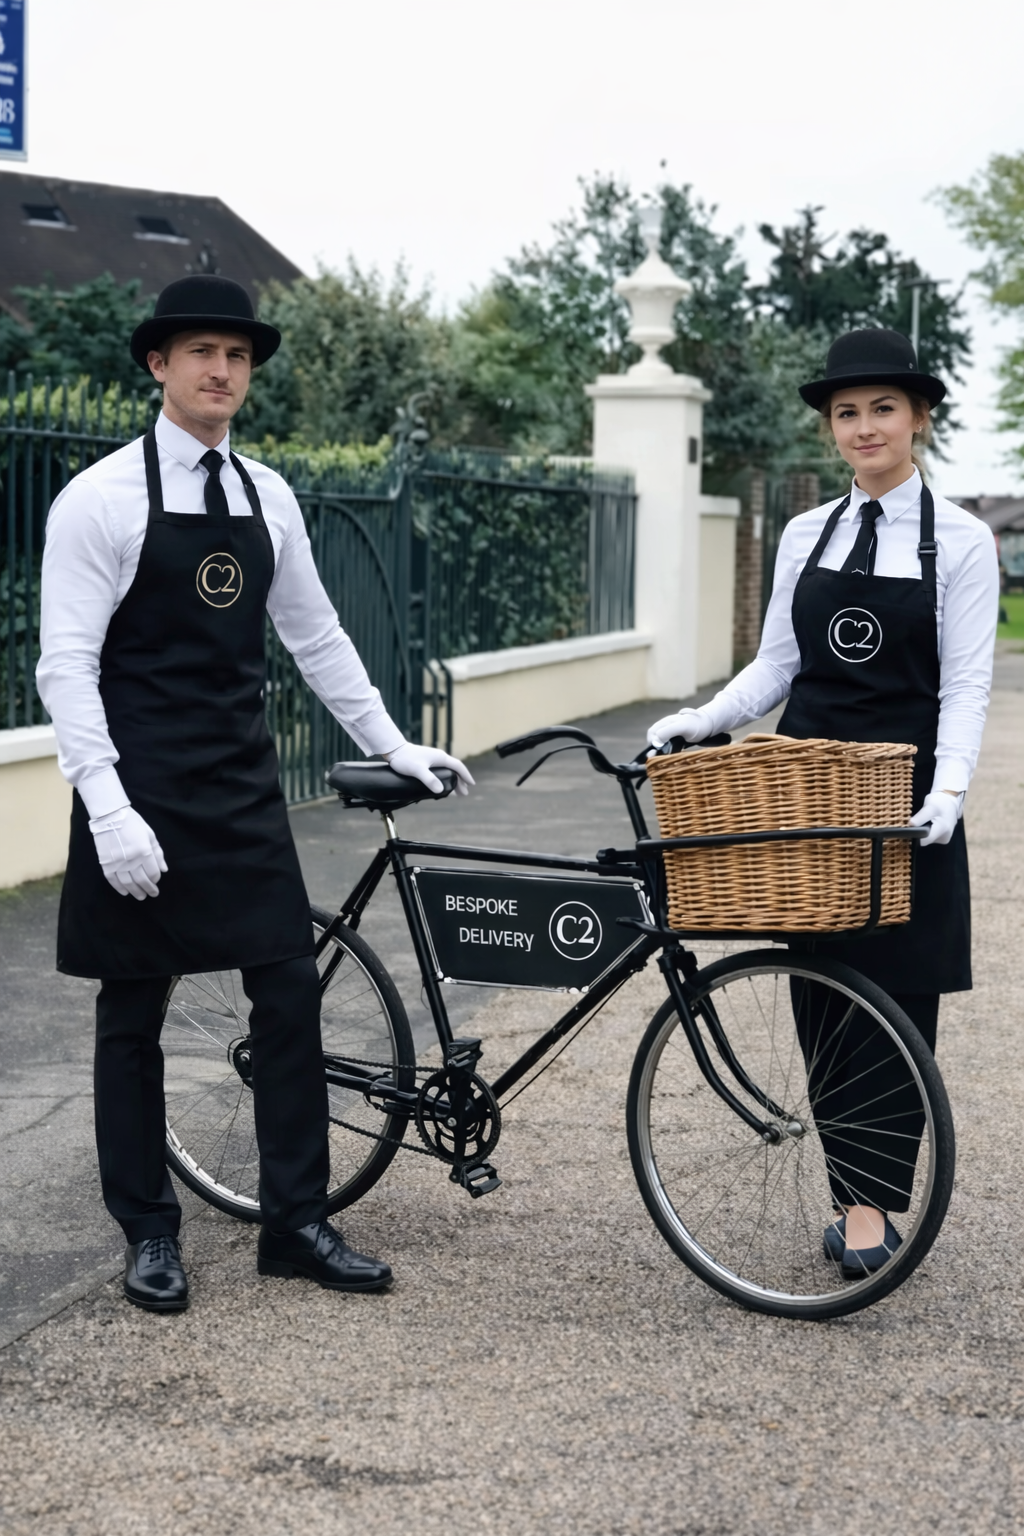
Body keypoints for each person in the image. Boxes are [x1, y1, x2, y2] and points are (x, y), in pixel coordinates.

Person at [37, 274, 473, 1313]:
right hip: (137, 787)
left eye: (236, 356)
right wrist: (106, 807)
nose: (222, 371)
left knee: (288, 995)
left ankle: (297, 1223)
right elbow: (64, 664)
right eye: (201, 353)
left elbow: (314, 637)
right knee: (131, 1013)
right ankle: (148, 1231)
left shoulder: (267, 495)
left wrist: (392, 741)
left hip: (237, 783)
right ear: (159, 364)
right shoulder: (98, 499)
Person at [648, 328, 999, 1275]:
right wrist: (699, 717)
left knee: (898, 1006)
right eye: (847, 413)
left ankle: (876, 1210)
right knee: (821, 1001)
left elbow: (966, 686)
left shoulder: (962, 541)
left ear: (919, 417)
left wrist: (951, 792)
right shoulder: (809, 533)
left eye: (883, 408)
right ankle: (855, 1200)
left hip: (903, 800)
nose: (864, 427)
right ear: (831, 429)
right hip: (809, 795)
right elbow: (777, 664)